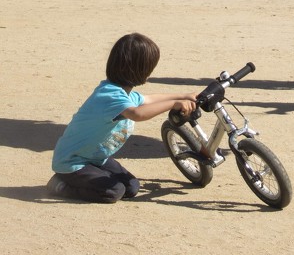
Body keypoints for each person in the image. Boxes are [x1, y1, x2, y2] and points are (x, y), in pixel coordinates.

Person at [47, 32, 198, 203]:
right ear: (138, 69)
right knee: (113, 191)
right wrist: (174, 104)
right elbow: (138, 114)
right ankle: (60, 185)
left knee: (131, 187)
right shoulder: (109, 95)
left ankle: (89, 178)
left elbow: (148, 99)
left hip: (96, 158)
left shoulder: (124, 93)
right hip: (73, 162)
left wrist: (184, 96)